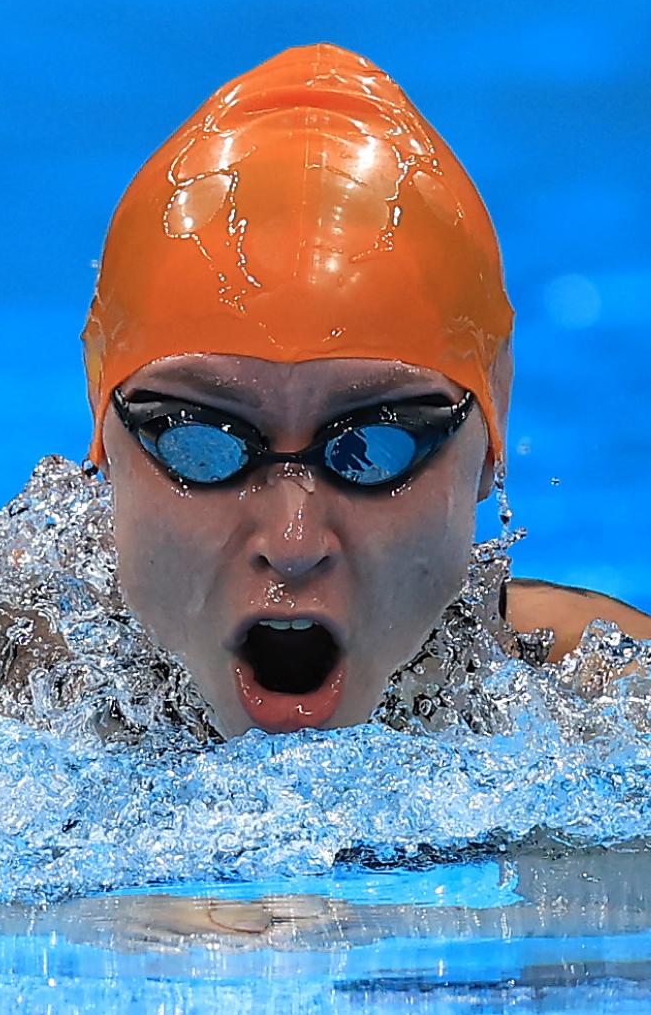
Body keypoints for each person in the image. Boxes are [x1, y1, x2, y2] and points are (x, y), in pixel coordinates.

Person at [78, 42, 650, 740]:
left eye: (375, 445)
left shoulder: (609, 712)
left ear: (489, 443)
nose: (293, 541)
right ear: (104, 438)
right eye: (203, 442)